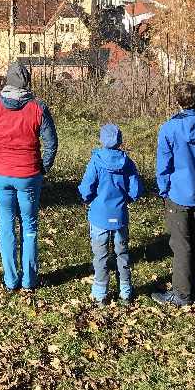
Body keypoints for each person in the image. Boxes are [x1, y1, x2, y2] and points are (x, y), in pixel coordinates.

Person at [0, 61, 58, 292]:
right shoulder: (38, 107)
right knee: (30, 226)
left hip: (1, 174)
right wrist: (43, 168)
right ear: (27, 82)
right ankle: (29, 281)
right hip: (29, 175)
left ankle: (11, 280)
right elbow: (51, 143)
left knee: (6, 225)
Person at [152, 81, 195, 307]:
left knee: (181, 244)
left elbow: (164, 164)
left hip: (177, 194)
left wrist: (163, 189)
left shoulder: (169, 128)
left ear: (178, 101)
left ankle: (182, 295)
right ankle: (194, 287)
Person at [78, 123, 143, 304]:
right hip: (120, 216)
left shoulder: (96, 161)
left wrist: (88, 199)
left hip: (99, 216)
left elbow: (86, 188)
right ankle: (126, 291)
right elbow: (136, 190)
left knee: (100, 255)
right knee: (122, 254)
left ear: (101, 139)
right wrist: (126, 200)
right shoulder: (127, 163)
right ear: (120, 141)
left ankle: (100, 294)